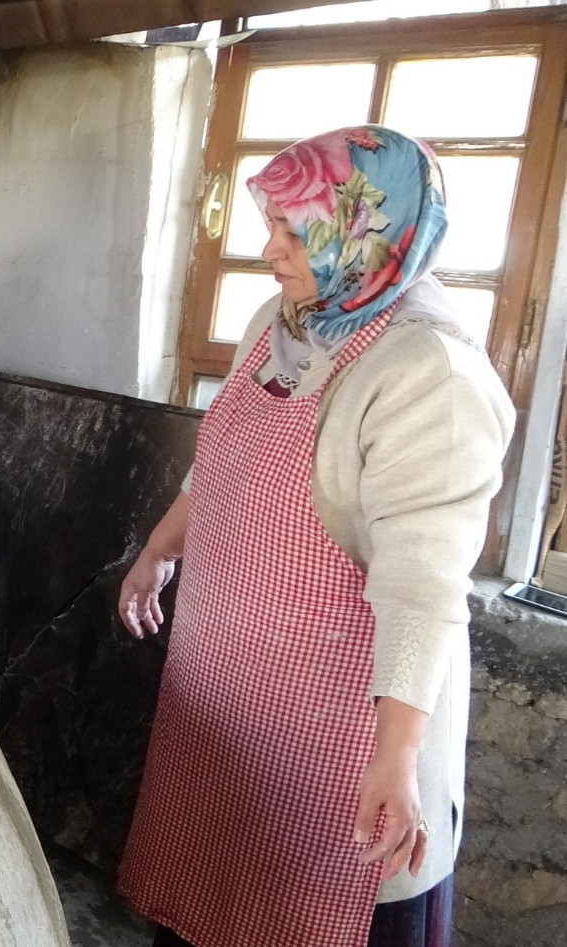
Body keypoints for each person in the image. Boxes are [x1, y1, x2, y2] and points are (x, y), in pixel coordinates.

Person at [115, 125, 514, 947]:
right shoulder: (288, 315)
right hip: (229, 701)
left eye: (294, 231)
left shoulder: (427, 373)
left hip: (341, 729)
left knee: (307, 913)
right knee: (210, 901)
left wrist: (395, 757)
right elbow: (224, 455)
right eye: (272, 224)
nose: (269, 249)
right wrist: (160, 549)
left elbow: (422, 584)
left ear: (364, 235)